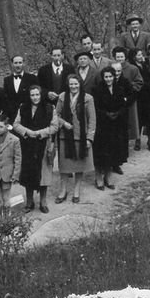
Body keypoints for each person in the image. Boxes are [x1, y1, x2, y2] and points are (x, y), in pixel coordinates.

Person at [13, 85, 59, 214]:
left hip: (43, 144)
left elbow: (54, 126)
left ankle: (43, 202)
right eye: (32, 95)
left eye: (37, 94)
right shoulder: (23, 107)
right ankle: (29, 202)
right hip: (27, 144)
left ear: (41, 95)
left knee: (44, 174)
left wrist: (39, 133)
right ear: (29, 96)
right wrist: (27, 132)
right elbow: (16, 124)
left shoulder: (50, 108)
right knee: (28, 173)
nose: (35, 97)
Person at [54, 74, 96, 204]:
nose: (73, 86)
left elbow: (92, 120)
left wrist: (89, 138)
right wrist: (63, 123)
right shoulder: (62, 97)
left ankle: (77, 190)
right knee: (65, 165)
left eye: (76, 84)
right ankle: (63, 190)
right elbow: (56, 115)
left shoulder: (88, 98)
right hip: (65, 137)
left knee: (79, 165)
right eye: (71, 84)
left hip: (81, 137)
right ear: (68, 84)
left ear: (80, 84)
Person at [92, 66, 127, 191]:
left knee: (112, 150)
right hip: (102, 124)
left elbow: (124, 105)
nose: (108, 79)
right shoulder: (96, 90)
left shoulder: (119, 89)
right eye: (106, 77)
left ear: (114, 77)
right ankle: (98, 176)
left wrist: (117, 113)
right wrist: (106, 114)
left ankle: (108, 175)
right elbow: (95, 107)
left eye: (110, 76)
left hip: (116, 124)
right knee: (101, 151)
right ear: (103, 77)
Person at [111, 46, 143, 165]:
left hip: (129, 99)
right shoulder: (111, 68)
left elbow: (139, 82)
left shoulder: (133, 68)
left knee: (130, 122)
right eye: (117, 57)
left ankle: (128, 145)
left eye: (122, 57)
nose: (120, 59)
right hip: (114, 102)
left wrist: (129, 92)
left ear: (125, 57)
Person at [128, 48, 150, 152]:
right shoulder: (133, 67)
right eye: (139, 55)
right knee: (138, 118)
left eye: (141, 54)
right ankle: (137, 140)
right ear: (134, 56)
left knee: (148, 118)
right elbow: (138, 82)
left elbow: (149, 76)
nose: (141, 56)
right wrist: (149, 84)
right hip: (137, 96)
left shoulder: (144, 64)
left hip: (147, 95)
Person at [2, 55, 39, 122]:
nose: (18, 65)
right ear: (12, 64)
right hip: (12, 116)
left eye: (20, 62)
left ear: (23, 64)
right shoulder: (7, 80)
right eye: (15, 63)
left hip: (29, 114)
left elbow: (37, 96)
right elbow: (6, 98)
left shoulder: (32, 78)